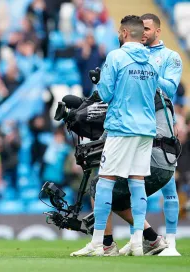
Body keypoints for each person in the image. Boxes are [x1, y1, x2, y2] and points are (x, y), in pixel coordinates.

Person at [71, 15, 159, 257]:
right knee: (136, 182)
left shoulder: (116, 56)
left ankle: (100, 242)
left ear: (122, 33)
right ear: (141, 34)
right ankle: (139, 242)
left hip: (122, 127)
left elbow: (106, 93)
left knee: (104, 183)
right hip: (146, 129)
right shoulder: (152, 61)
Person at [79, 88, 177, 257]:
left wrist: (99, 142)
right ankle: (152, 239)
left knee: (100, 186)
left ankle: (106, 244)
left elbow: (122, 124)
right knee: (117, 199)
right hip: (167, 163)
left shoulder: (136, 92)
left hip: (152, 159)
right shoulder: (160, 94)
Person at [138, 13, 183, 257]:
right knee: (135, 184)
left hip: (161, 125)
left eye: (147, 28)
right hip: (134, 126)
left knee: (168, 186)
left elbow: (171, 88)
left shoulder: (170, 57)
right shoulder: (132, 54)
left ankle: (172, 242)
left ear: (158, 30)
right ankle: (138, 239)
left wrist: (146, 70)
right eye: (140, 28)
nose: (143, 32)